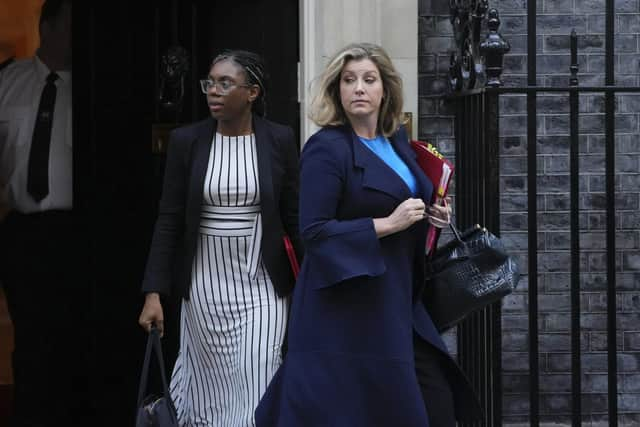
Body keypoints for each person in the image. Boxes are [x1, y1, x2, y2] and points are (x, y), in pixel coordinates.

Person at [255, 43, 482, 426]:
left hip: (399, 296)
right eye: (349, 80)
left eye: (368, 79)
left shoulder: (398, 141)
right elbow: (315, 232)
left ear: (385, 90)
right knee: (364, 409)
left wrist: (432, 216)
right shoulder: (326, 149)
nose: (358, 88)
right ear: (337, 91)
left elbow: (407, 200)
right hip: (348, 305)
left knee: (436, 400)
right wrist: (388, 224)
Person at [138, 49, 302, 427]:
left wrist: (310, 283)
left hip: (263, 287)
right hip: (204, 288)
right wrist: (154, 293)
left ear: (252, 93)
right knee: (206, 396)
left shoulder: (279, 140)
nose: (213, 90)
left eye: (225, 83)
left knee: (259, 378)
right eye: (209, 82)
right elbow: (169, 220)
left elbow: (294, 217)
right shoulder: (187, 141)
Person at [0, 1, 81, 426]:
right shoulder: (6, 82)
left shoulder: (98, 90)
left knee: (78, 344)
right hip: (25, 235)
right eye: (71, 26)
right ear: (47, 27)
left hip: (82, 234)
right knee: (31, 344)